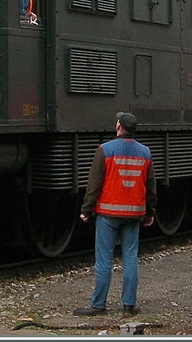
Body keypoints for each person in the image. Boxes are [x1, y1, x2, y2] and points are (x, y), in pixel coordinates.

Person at [74, 112, 156, 318]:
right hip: (133, 215)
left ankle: (98, 304)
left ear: (118, 126)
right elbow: (151, 188)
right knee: (130, 258)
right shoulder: (145, 153)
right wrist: (150, 213)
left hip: (108, 215)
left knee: (103, 260)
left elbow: (94, 184)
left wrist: (86, 209)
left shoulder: (105, 150)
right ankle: (128, 305)